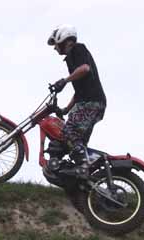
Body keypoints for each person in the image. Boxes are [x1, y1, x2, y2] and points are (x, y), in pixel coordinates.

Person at [47, 24, 107, 178]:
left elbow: (85, 69)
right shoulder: (71, 59)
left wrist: (64, 81)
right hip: (89, 101)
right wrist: (65, 110)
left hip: (91, 101)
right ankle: (82, 177)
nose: (55, 48)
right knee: (76, 143)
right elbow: (78, 90)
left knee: (68, 132)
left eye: (56, 44)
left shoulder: (78, 49)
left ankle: (84, 166)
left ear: (64, 39)